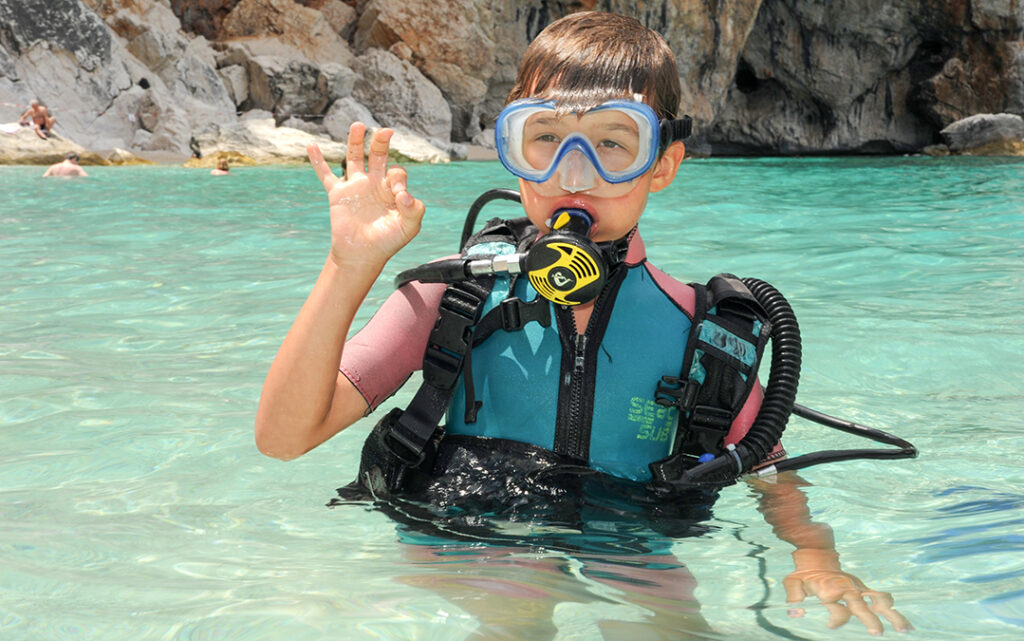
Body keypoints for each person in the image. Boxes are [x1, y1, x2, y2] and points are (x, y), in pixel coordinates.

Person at [256, 11, 910, 635]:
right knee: (521, 587)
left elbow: (772, 470)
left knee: (667, 616)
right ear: (513, 152)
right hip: (468, 530)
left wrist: (815, 556)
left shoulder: (703, 338)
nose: (575, 173)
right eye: (545, 138)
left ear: (661, 163)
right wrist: (349, 267)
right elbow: (285, 436)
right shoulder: (455, 296)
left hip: (624, 533)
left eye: (611, 143)